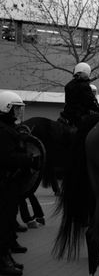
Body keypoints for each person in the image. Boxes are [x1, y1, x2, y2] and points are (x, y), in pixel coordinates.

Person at [0, 91, 39, 275]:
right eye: (15, 109)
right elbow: (7, 158)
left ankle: (7, 257)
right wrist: (28, 159)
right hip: (4, 183)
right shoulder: (3, 130)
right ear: (5, 108)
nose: (18, 113)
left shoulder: (9, 128)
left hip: (10, 184)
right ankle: (2, 262)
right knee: (3, 223)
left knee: (8, 220)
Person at [59, 62, 99, 127]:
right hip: (80, 116)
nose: (87, 76)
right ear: (82, 72)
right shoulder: (84, 86)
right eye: (86, 74)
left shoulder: (68, 85)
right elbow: (91, 102)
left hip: (67, 115)